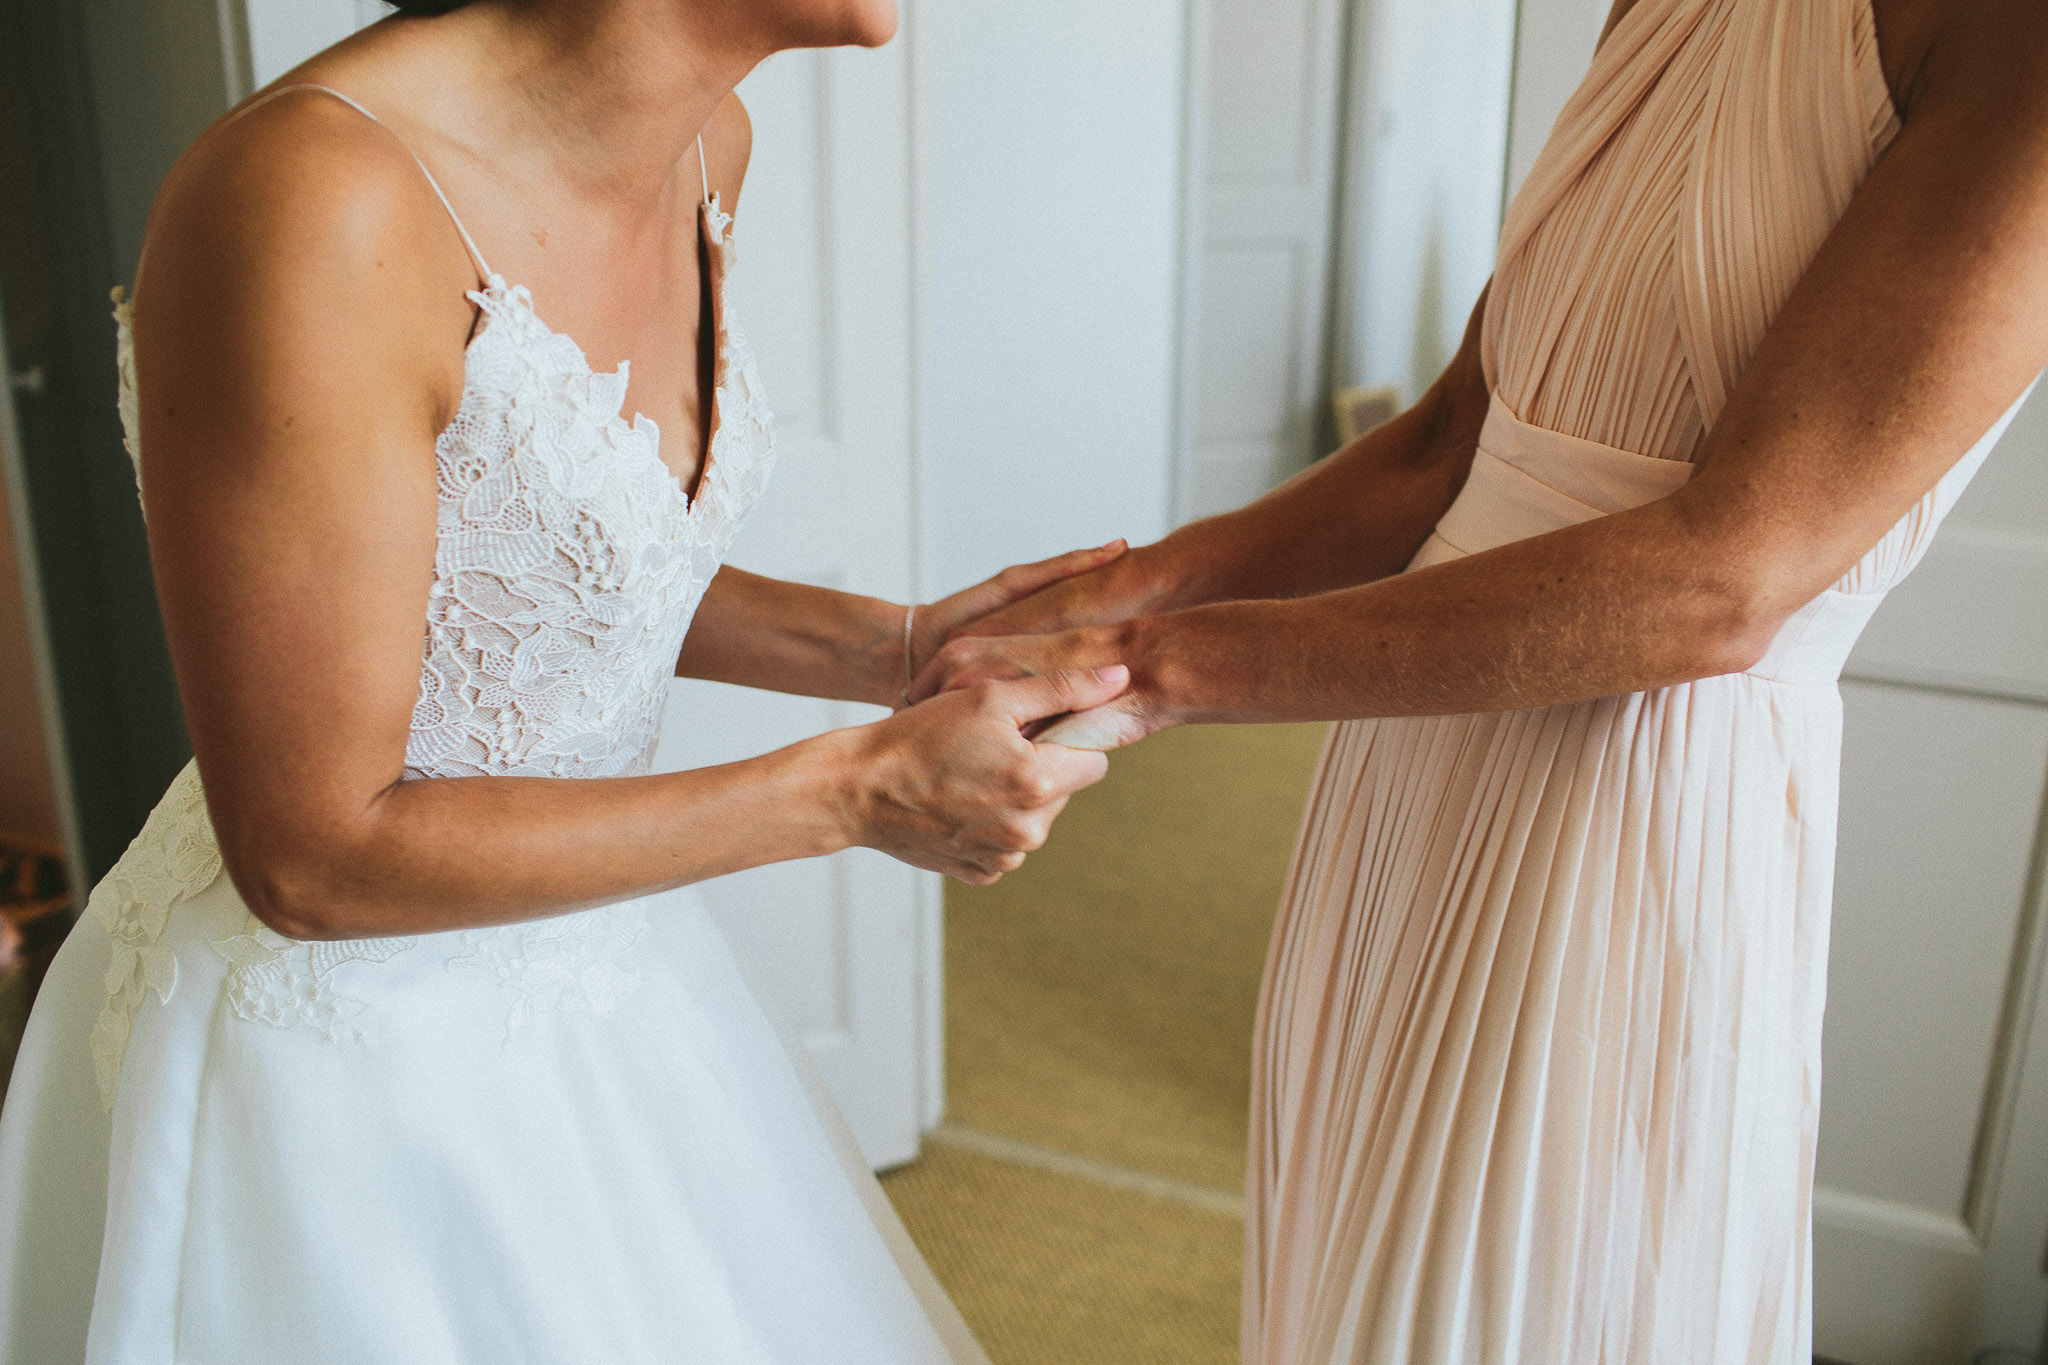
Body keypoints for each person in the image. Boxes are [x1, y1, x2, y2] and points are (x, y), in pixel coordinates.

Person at [0, 1, 1130, 1360]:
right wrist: (854, 789)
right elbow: (309, 858)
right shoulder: (316, 201)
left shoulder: (710, 142)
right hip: (344, 1068)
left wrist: (893, 648)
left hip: (602, 956)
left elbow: (568, 567)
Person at [927, 0, 2048, 1358]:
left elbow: (1720, 582)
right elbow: (1455, 437)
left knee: (1527, 1293)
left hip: (1630, 793)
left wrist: (1157, 669)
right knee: (1354, 1254)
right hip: (1415, 761)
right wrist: (1125, 593)